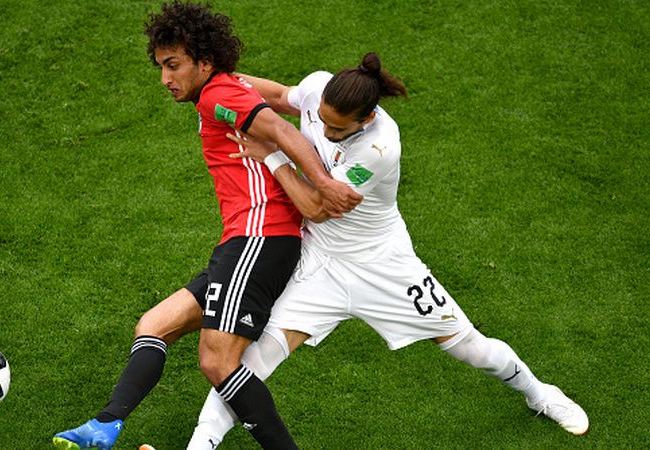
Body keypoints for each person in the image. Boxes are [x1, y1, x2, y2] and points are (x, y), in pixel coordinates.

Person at [186, 52, 589, 449]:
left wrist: (273, 155)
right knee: (251, 361)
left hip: (384, 264)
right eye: (322, 120)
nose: (325, 133)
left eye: (338, 129)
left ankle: (540, 393)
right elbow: (272, 97)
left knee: (470, 346)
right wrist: (211, 84)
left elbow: (317, 208)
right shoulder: (316, 89)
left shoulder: (380, 149)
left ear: (368, 119)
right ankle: (201, 443)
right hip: (318, 262)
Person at [52, 2, 361, 449]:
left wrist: (325, 184)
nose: (165, 79)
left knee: (218, 362)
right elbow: (282, 100)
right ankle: (104, 426)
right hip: (240, 241)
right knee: (154, 325)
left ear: (204, 60)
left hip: (260, 237)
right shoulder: (226, 87)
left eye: (173, 66)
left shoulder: (219, 94)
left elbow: (281, 129)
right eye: (160, 67)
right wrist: (306, 97)